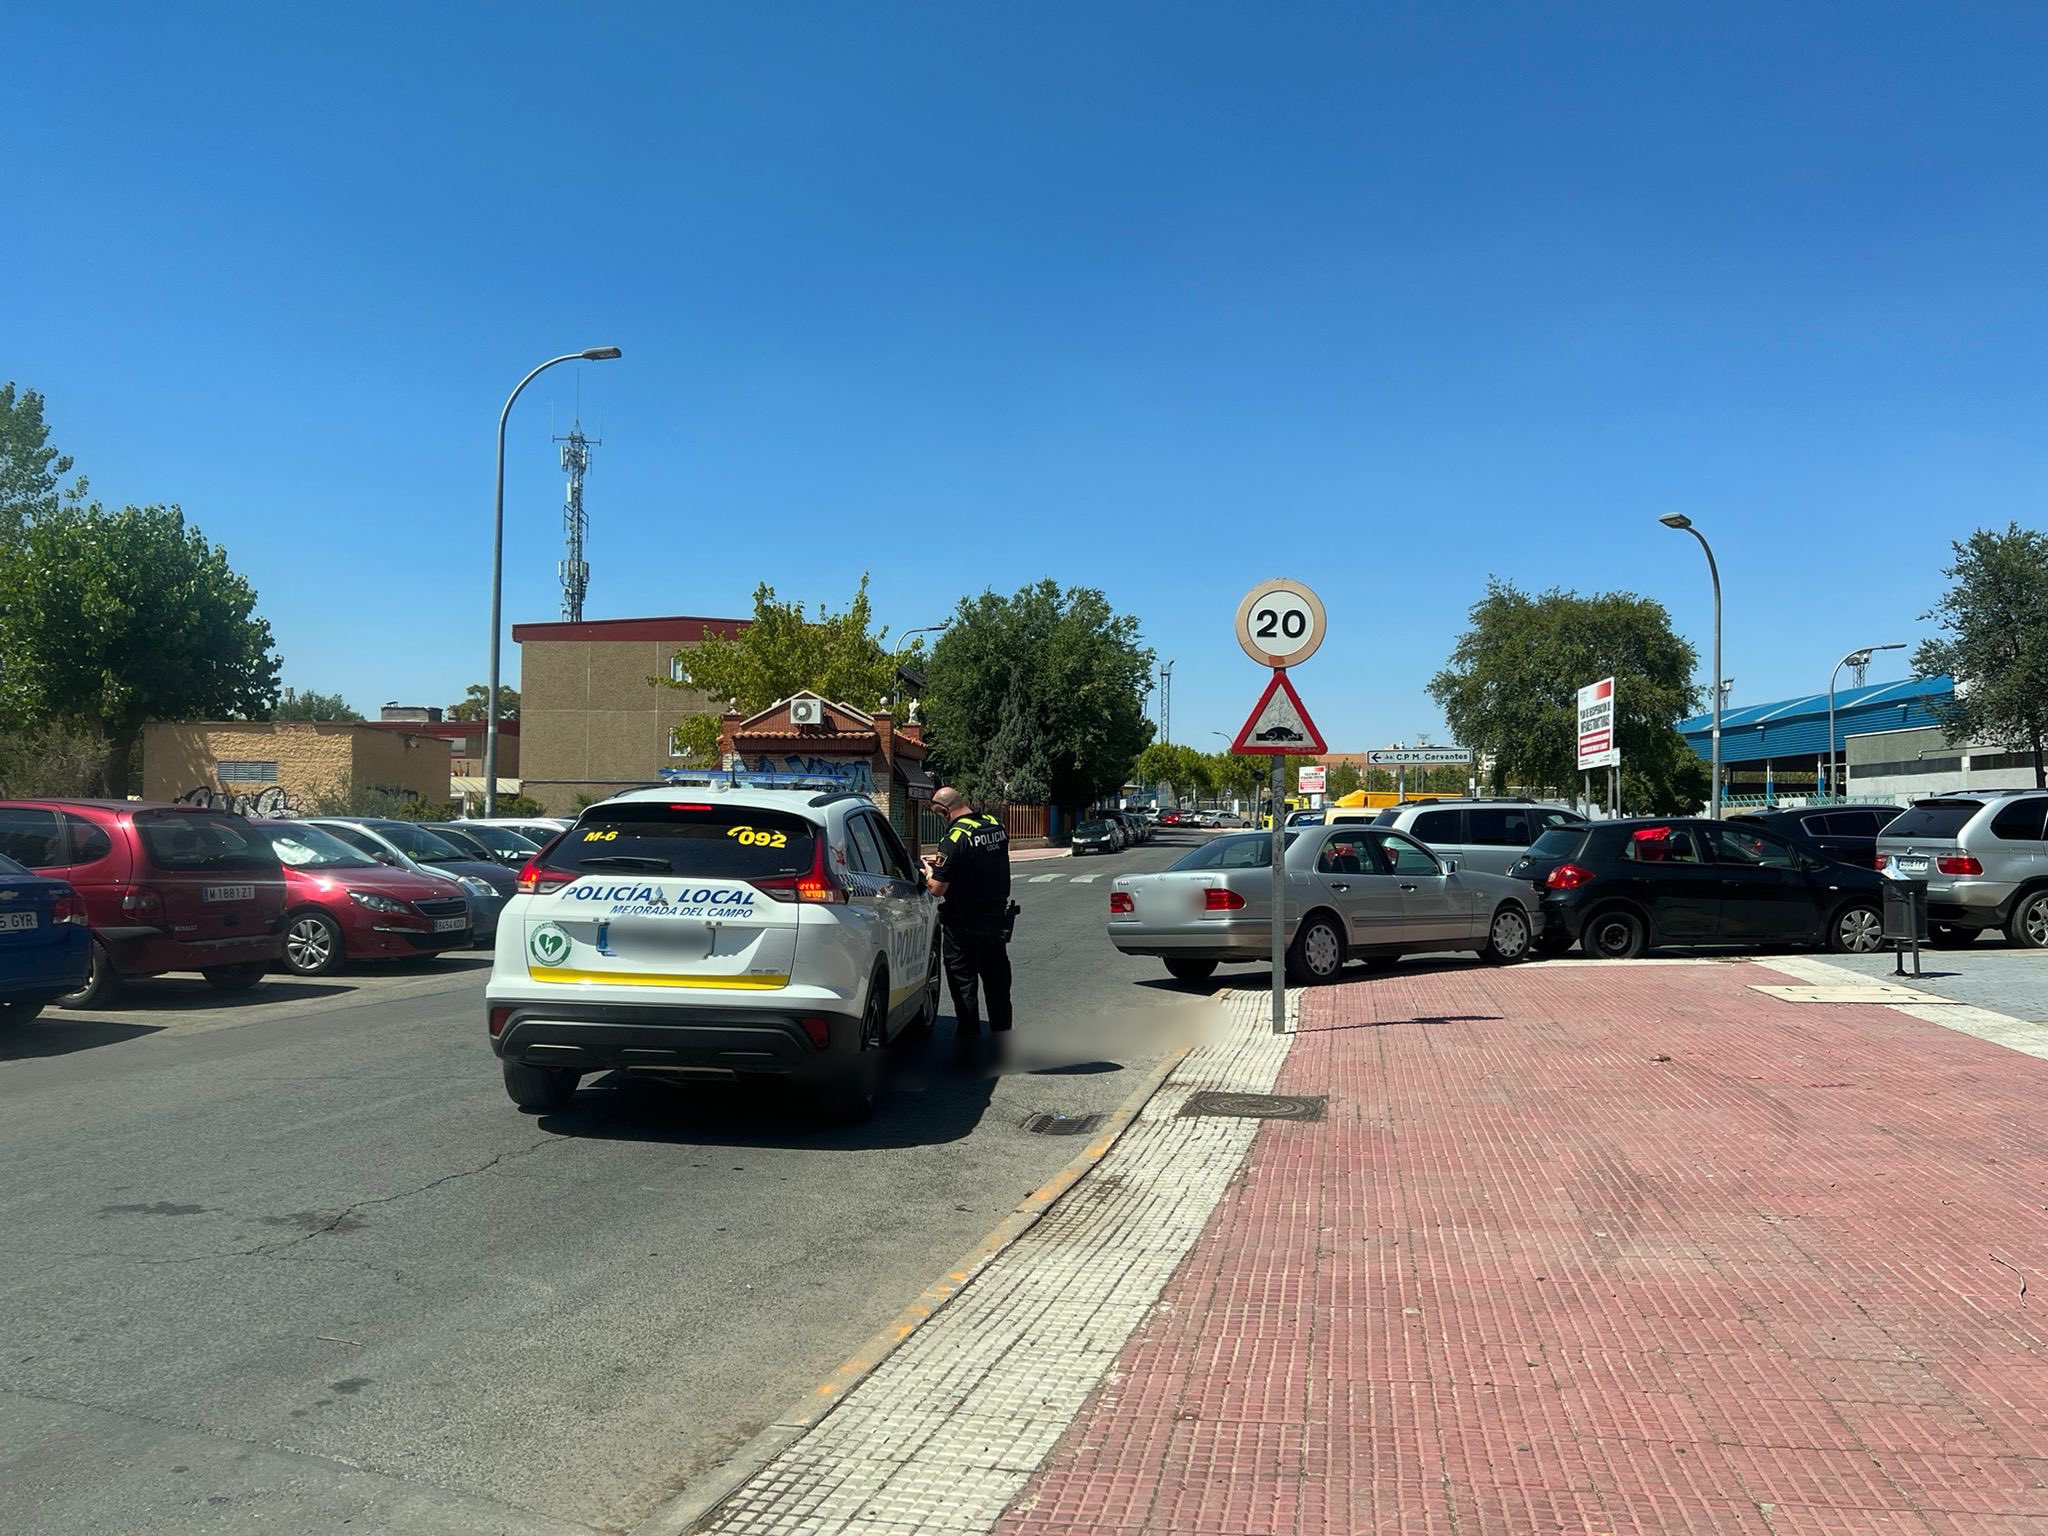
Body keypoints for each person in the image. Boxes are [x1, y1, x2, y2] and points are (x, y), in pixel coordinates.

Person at [922, 786, 1012, 1058]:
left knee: (964, 986)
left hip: (962, 924)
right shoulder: (995, 825)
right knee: (997, 984)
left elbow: (938, 888)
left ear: (943, 811)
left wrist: (929, 871)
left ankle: (969, 1048)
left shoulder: (954, 837)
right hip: (995, 920)